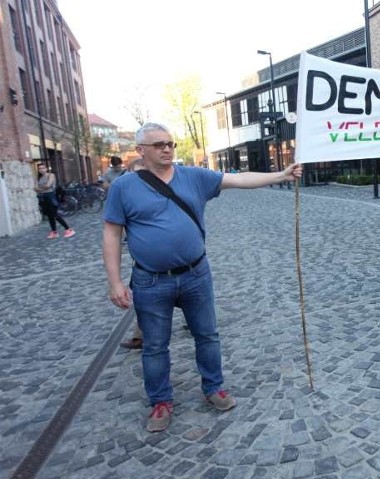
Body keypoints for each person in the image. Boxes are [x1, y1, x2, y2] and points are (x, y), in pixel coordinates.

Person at [103, 123, 302, 432]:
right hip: (151, 280)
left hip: (196, 274)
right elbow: (112, 233)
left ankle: (213, 387)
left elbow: (238, 179)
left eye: (170, 143)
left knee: (207, 335)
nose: (167, 148)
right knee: (155, 345)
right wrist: (115, 281)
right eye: (158, 145)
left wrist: (280, 175)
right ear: (141, 150)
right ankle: (160, 401)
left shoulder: (193, 176)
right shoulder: (124, 187)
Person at [119, 158, 147, 350]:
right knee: (143, 299)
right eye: (134, 173)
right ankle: (140, 335)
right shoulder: (127, 194)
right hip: (143, 264)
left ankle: (140, 336)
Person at [34, 162, 74, 239]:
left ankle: (68, 229)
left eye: (43, 168)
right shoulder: (37, 178)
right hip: (43, 198)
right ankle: (54, 232)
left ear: (46, 169)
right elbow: (35, 188)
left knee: (55, 215)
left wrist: (40, 188)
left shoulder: (51, 175)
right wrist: (43, 188)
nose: (41, 170)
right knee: (49, 216)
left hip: (50, 196)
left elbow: (48, 186)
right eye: (39, 168)